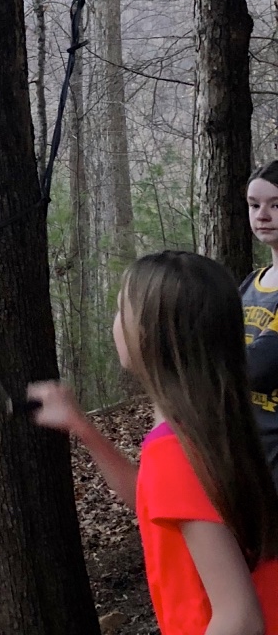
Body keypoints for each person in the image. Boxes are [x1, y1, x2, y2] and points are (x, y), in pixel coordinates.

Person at [29, 250, 278, 635]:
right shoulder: (210, 423)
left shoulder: (177, 450)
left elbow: (240, 619)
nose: (113, 323)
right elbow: (155, 502)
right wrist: (84, 429)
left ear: (148, 335)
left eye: (118, 310)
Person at [244, 161, 278, 487]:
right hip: (251, 459)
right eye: (255, 205)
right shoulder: (251, 284)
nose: (262, 215)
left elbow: (258, 367)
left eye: (276, 205)